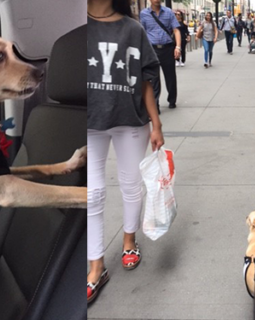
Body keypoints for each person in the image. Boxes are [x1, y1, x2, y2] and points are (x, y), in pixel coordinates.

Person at [88, 0, 166, 304]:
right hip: (90, 120)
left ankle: (129, 241)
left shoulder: (133, 29)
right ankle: (96, 265)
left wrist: (156, 123)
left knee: (131, 185)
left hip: (130, 118)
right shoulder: (80, 27)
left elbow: (147, 80)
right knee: (92, 193)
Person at [139, 0, 181, 109]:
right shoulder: (144, 14)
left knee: (170, 77)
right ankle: (155, 105)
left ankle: (172, 100)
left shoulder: (168, 12)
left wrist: (178, 47)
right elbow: (142, 32)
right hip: (152, 49)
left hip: (167, 49)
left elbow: (176, 30)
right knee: (153, 78)